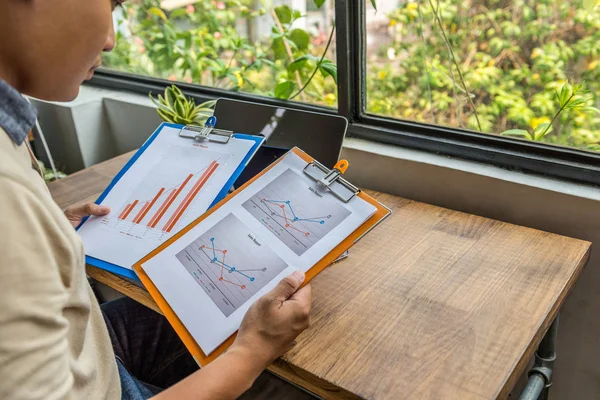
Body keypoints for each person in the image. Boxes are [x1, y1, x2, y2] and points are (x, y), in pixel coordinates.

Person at [0, 0, 312, 399]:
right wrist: (251, 354)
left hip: (85, 354)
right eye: (111, 3)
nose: (111, 40)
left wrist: (45, 232)